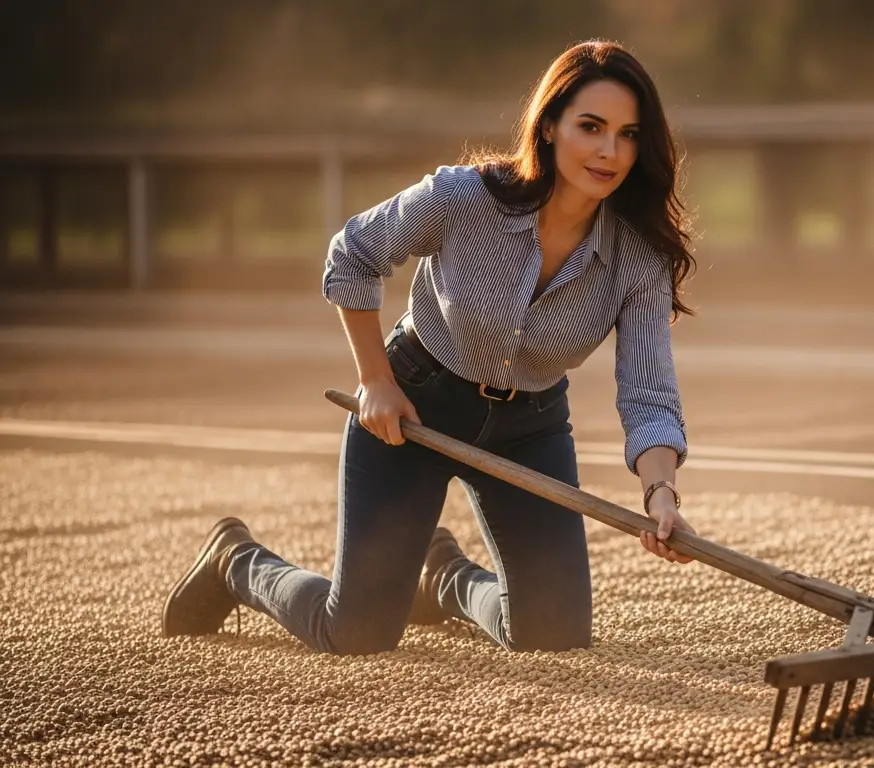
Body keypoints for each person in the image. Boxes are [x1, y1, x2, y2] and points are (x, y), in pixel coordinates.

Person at [161, 40, 698, 655]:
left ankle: (447, 577)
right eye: (591, 127)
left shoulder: (640, 257)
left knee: (553, 635)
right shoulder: (465, 198)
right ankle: (237, 560)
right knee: (357, 631)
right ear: (549, 127)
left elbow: (649, 391)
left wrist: (661, 496)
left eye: (628, 134)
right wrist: (376, 381)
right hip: (415, 406)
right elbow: (353, 254)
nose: (609, 151)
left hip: (531, 428)